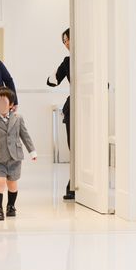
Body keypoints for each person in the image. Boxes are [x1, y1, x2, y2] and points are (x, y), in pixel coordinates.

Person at [0, 87, 37, 221]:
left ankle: (11, 206)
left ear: (11, 104)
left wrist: (32, 151)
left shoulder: (18, 118)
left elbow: (25, 135)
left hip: (15, 157)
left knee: (12, 183)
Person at [46, 28, 73, 200]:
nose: (66, 43)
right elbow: (52, 82)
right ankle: (73, 184)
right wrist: (53, 76)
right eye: (64, 41)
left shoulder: (92, 57)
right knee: (73, 146)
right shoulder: (67, 61)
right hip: (73, 106)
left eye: (67, 39)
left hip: (91, 107)